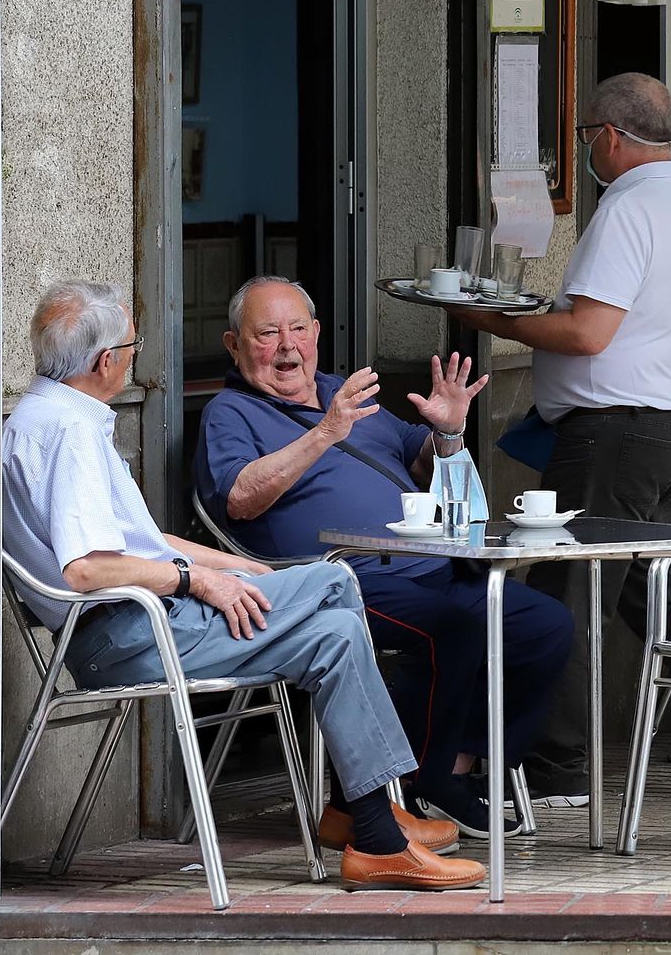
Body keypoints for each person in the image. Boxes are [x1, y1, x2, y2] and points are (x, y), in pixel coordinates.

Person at [3, 281, 482, 891]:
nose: (133, 355)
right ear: (105, 363)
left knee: (333, 616)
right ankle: (375, 827)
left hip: (129, 622)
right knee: (336, 598)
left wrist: (245, 571)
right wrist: (197, 580)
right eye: (131, 345)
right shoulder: (69, 433)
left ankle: (367, 822)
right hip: (129, 632)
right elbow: (88, 570)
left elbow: (145, 541)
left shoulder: (45, 415)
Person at [445, 72, 671, 804]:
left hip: (614, 437)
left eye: (587, 136)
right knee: (660, 594)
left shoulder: (629, 210)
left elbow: (588, 332)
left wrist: (488, 318)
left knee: (565, 598)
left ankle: (558, 768)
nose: (586, 149)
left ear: (612, 138)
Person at [193, 276, 573, 835]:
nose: (286, 346)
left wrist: (447, 432)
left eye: (298, 329)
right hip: (333, 582)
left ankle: (445, 768)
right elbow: (239, 499)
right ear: (234, 345)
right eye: (267, 334)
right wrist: (325, 431)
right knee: (454, 628)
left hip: (432, 565)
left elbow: (419, 461)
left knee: (546, 624)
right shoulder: (231, 413)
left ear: (317, 333)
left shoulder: (343, 389)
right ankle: (429, 779)